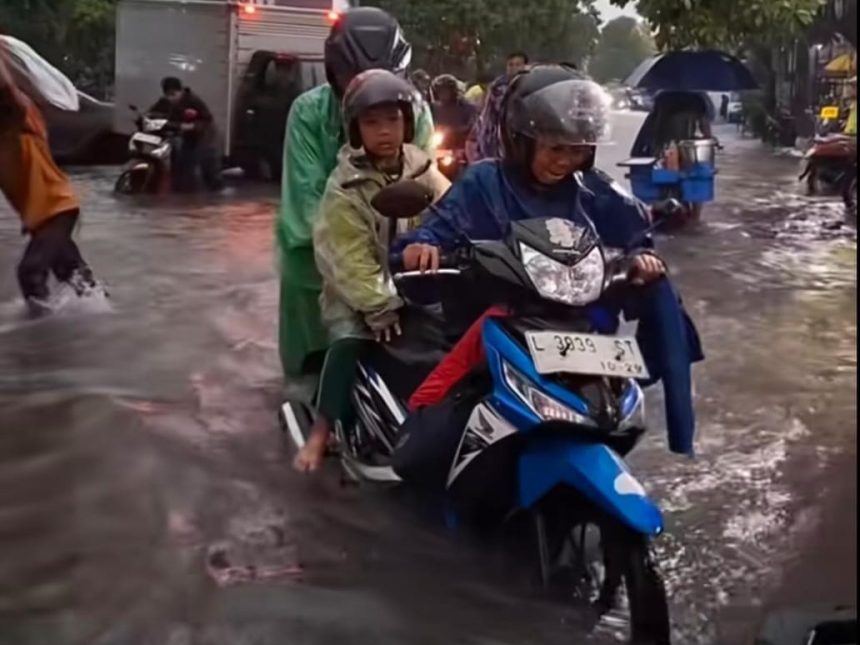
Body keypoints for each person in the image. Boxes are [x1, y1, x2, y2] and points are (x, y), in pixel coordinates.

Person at [393, 66, 703, 462]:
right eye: (554, 148)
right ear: (522, 141)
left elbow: (635, 235)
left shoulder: (594, 189)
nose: (565, 161)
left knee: (663, 297)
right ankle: (411, 453)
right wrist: (421, 247)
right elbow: (438, 228)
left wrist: (643, 259)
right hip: (505, 320)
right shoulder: (485, 182)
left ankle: (680, 433)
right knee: (435, 425)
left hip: (576, 325)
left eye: (575, 150)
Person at [293, 70, 450, 472]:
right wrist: (377, 304)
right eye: (372, 122)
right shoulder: (344, 186)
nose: (384, 131)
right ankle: (321, 431)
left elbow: (450, 212)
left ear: (408, 124)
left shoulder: (421, 168)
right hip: (356, 292)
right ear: (355, 129)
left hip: (414, 283)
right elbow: (345, 257)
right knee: (348, 340)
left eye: (393, 120)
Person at [276, 7, 436, 382]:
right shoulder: (307, 113)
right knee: (315, 372)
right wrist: (359, 279)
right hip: (317, 262)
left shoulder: (417, 112)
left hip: (395, 256)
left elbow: (427, 188)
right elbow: (310, 202)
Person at [0, 46, 101, 310]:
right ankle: (103, 321)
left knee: (30, 273)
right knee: (78, 280)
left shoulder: (23, 123)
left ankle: (41, 344)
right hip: (42, 221)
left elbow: (8, 91)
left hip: (57, 212)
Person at [148, 77, 222, 192]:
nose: (170, 98)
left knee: (206, 169)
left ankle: (212, 194)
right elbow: (152, 113)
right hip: (184, 138)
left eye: (173, 94)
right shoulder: (164, 102)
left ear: (181, 91)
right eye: (167, 95)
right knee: (181, 168)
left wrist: (193, 126)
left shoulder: (193, 101)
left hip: (203, 137)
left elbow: (207, 119)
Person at [470, 52, 530, 161]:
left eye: (518, 64)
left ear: (526, 66)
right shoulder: (498, 87)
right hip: (498, 138)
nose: (514, 68)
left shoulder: (533, 85)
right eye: (510, 65)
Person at [430, 74, 478, 150]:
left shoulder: (466, 107)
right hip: (441, 144)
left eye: (445, 90)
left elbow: (473, 124)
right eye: (440, 91)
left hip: (461, 144)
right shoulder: (434, 108)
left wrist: (456, 130)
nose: (443, 94)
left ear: (453, 91)